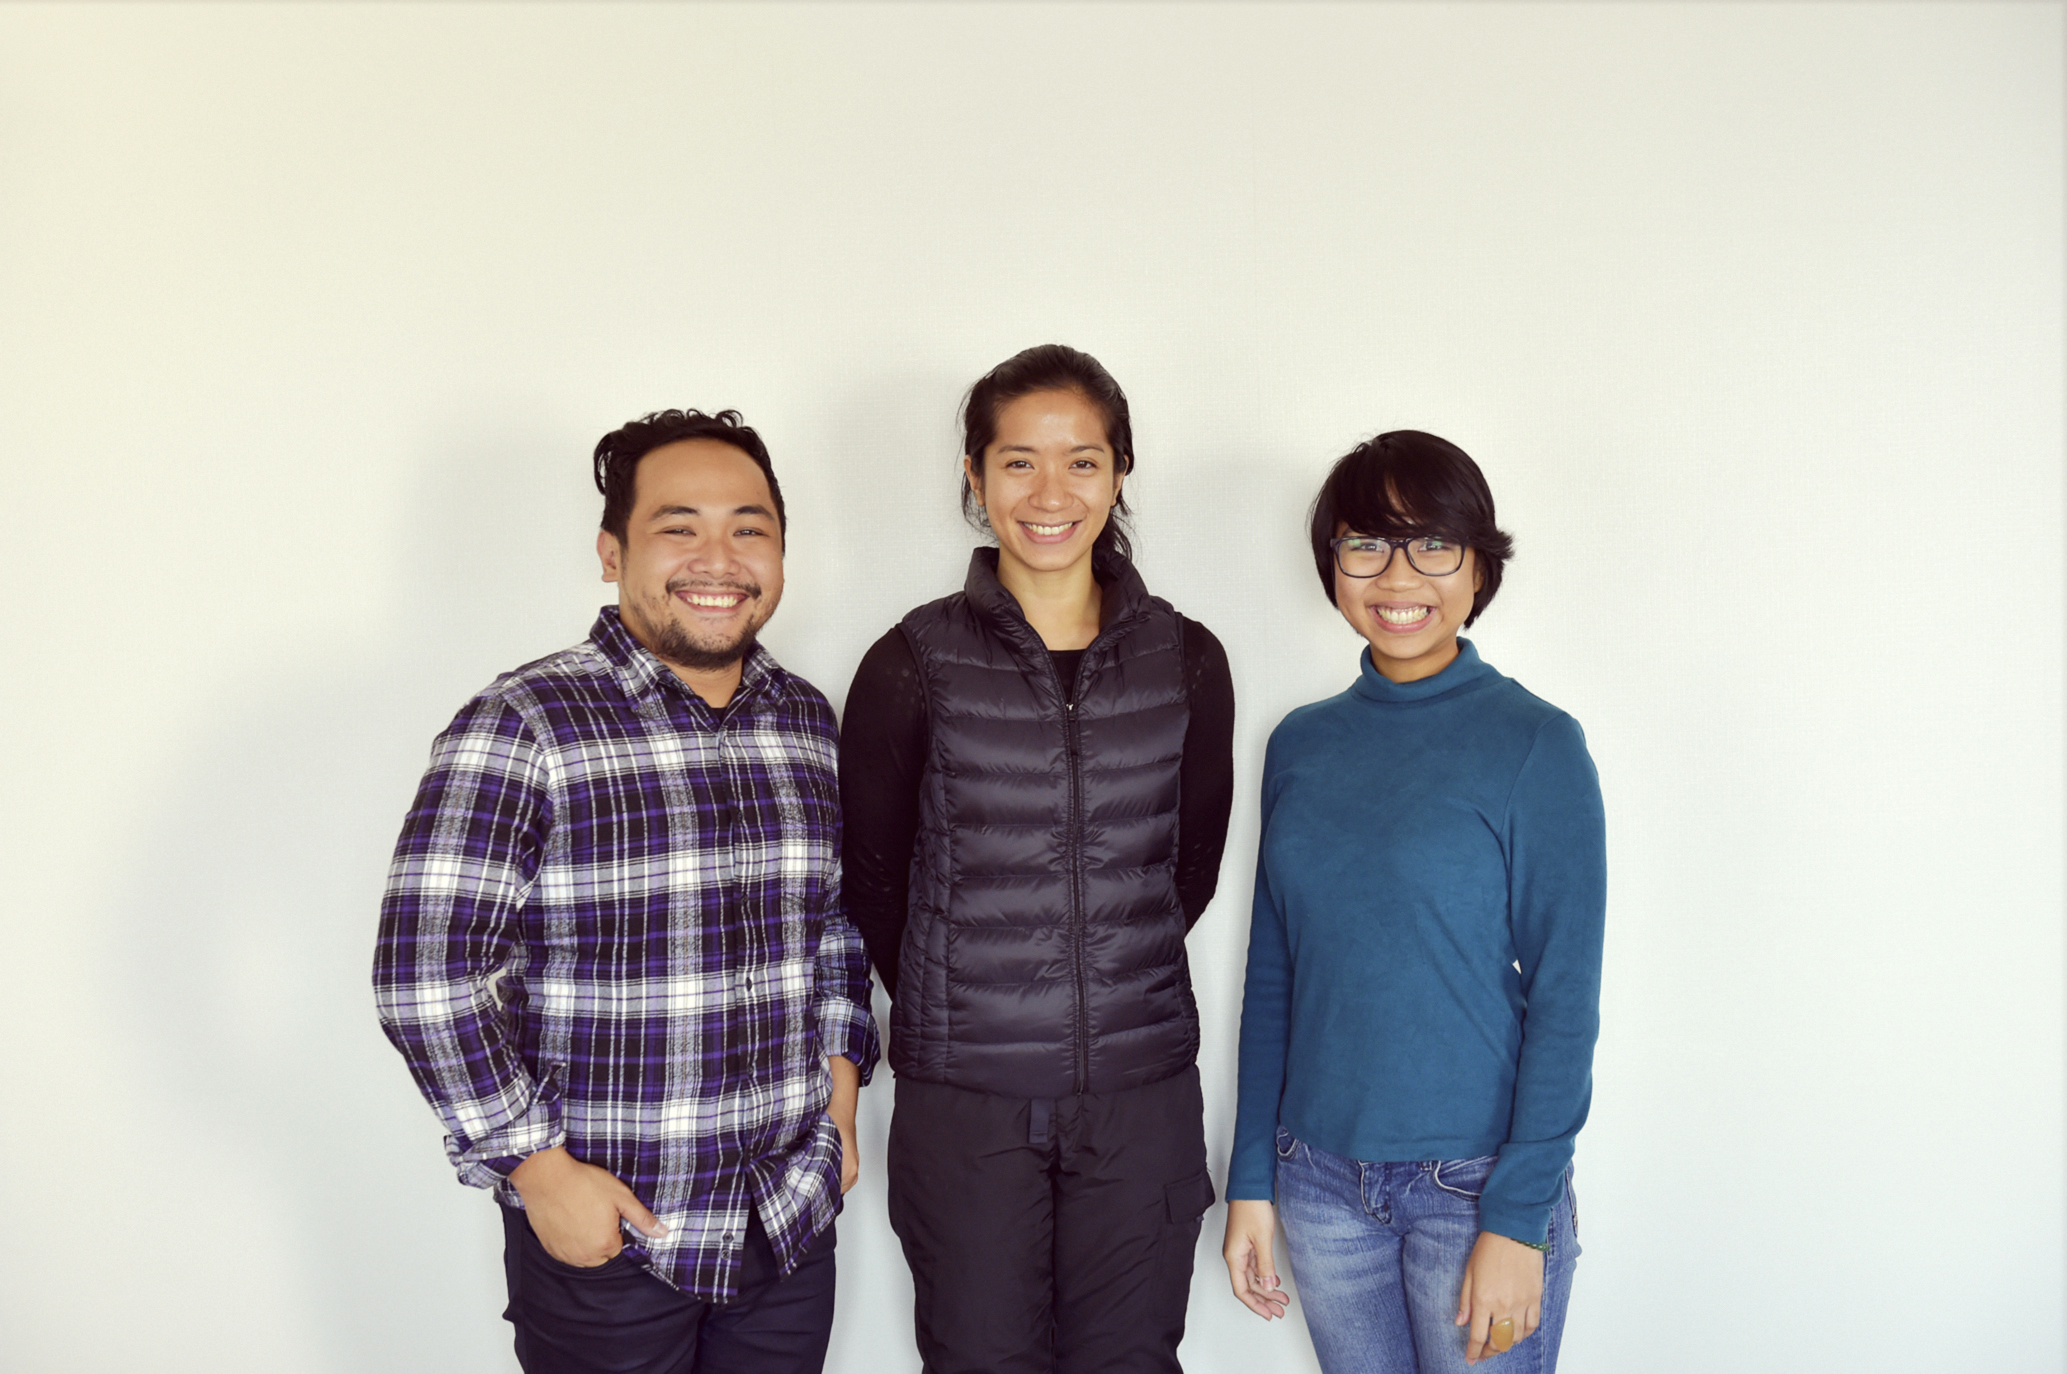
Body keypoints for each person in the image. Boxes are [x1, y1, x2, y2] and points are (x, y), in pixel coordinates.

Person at [374, 409, 879, 1374]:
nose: (717, 557)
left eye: (748, 527)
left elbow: (832, 931)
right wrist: (539, 1171)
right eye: (677, 526)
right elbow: (425, 973)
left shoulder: (807, 721)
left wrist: (841, 1102)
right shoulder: (524, 723)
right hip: (613, 1239)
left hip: (785, 1222)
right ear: (613, 552)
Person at [839, 344, 1237, 1373]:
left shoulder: (1187, 660)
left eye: (1082, 461)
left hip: (1140, 1096)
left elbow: (1186, 868)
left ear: (1119, 473)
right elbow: (875, 880)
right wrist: (969, 998)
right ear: (974, 478)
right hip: (966, 1109)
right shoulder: (911, 662)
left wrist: (1094, 981)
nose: (1049, 493)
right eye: (1018, 462)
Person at [1221, 431, 1605, 1373]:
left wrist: (1517, 1220)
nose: (1399, 575)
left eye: (1432, 544)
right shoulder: (1300, 744)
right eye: (1365, 545)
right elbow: (1274, 973)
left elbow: (1564, 997)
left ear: (1478, 567)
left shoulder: (1535, 744)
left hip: (1473, 1187)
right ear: (1333, 566)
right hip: (1316, 1184)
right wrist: (1251, 1181)